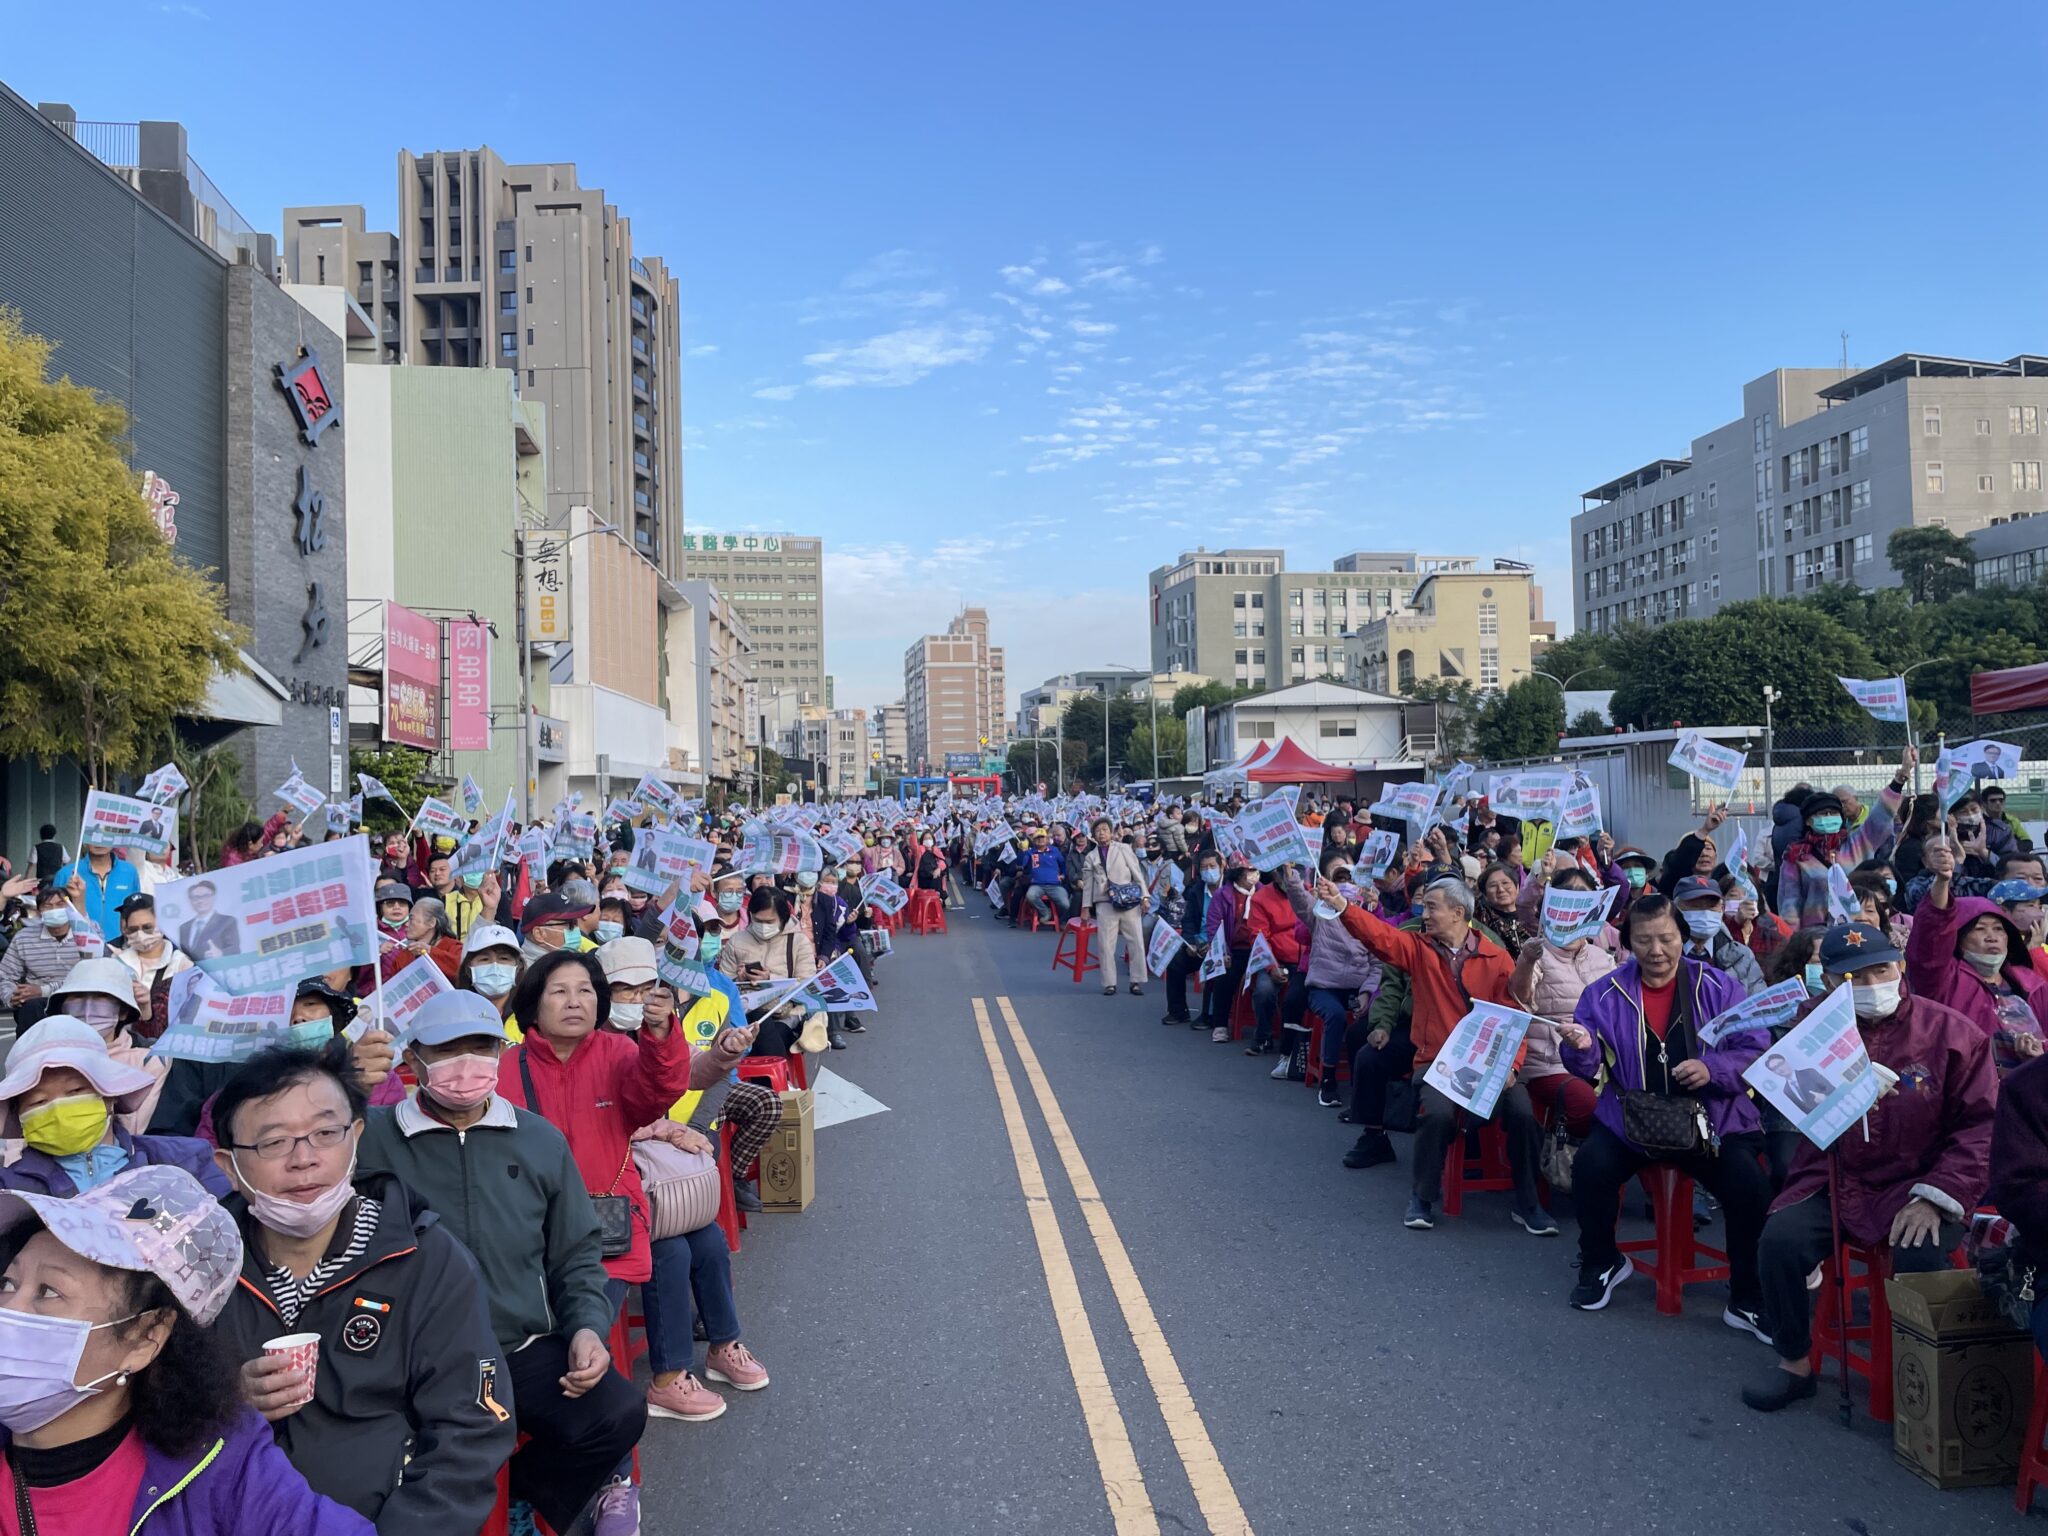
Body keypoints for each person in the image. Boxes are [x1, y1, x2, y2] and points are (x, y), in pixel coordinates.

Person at [358, 989, 646, 1535]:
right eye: (447, 1050)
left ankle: (524, 1496)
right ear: (413, 1057)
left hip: (519, 1348)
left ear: (500, 1051)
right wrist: (346, 1088)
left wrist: (587, 1326)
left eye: (481, 1046)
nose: (465, 1065)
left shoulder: (538, 1139)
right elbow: (300, 1149)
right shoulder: (370, 1139)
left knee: (617, 1413)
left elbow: (576, 1251)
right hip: (410, 1356)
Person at [209, 1047, 513, 1534]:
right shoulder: (199, 1267)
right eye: (273, 1142)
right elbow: (143, 1413)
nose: (304, 1159)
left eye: (326, 1133)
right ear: (229, 1165)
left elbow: (472, 1428)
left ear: (356, 1137)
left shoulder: (426, 1259)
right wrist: (225, 1399)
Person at [0, 1163, 378, 1533]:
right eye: (8, 1283)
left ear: (146, 1337)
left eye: (49, 1292)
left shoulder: (222, 1467)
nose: (9, 1309)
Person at [1741, 920, 1997, 1412]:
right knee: (1780, 1241)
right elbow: (1792, 1102)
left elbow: (1981, 1128)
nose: (1870, 983)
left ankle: (1920, 1382)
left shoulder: (1954, 1033)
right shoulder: (1812, 1026)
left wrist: (1935, 1194)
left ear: (1899, 967)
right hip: (1836, 1173)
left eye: (1880, 969)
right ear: (1833, 982)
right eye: (1854, 977)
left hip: (1920, 1176)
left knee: (1919, 1254)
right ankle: (1794, 1361)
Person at [1556, 894, 1771, 1331]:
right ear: (1628, 943)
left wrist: (1713, 1069)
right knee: (1591, 1168)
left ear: (1682, 937)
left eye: (1667, 939)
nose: (1657, 951)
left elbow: (1754, 1048)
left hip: (1711, 1119)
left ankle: (1747, 1295)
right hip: (1631, 1119)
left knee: (1749, 1185)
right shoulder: (1605, 993)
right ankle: (1601, 1262)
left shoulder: (1718, 987)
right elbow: (1585, 1063)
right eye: (1644, 940)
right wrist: (1578, 1046)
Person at [1318, 874, 1541, 1233]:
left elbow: (1513, 1019)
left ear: (1458, 912)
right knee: (1436, 1113)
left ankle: (1529, 1203)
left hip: (1489, 1065)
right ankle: (1422, 1197)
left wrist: (1512, 1067)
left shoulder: (1496, 956)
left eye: (1432, 907)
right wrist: (1343, 907)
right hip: (1438, 1062)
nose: (1425, 913)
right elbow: (1380, 937)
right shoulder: (1419, 948)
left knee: (1523, 1113)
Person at [0, 1014, 229, 1197]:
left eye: (76, 1091)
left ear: (110, 1095)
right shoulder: (9, 1188)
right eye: (39, 1101)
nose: (59, 1109)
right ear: (19, 1116)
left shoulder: (185, 1160)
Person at [1906, 836, 2048, 1075]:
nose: (1991, 936)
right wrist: (1942, 881)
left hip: (2026, 1095)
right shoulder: (1943, 981)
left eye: (1999, 929)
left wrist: (2038, 1056)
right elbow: (1931, 934)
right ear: (1958, 941)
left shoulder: (2032, 984)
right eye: (1979, 929)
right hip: (1969, 1097)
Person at [1507, 866, 1611, 1140]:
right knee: (1585, 1103)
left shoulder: (1603, 958)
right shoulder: (1537, 952)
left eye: (1583, 898)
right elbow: (1520, 998)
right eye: (1568, 896)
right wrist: (1527, 960)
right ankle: (1559, 1149)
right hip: (1550, 1063)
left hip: (1601, 1064)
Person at [1282, 854, 1382, 1100]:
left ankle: (1363, 1082)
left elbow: (1378, 963)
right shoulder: (1321, 914)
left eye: (1350, 879)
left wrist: (1367, 992)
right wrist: (1291, 876)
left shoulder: (1367, 919)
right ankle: (1328, 1079)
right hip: (1323, 987)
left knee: (1370, 1021)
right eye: (1340, 878)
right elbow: (1299, 900)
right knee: (1335, 1016)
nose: (1346, 883)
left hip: (1357, 989)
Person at [1776, 749, 1912, 928]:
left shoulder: (1857, 843)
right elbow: (1790, 904)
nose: (1829, 816)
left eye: (1833, 812)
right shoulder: (1797, 855)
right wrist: (1795, 942)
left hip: (1859, 927)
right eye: (1823, 813)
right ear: (1809, 820)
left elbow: (1880, 815)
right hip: (1817, 935)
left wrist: (1900, 777)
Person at [718, 887, 830, 1053]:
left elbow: (808, 988)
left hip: (786, 1013)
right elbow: (722, 984)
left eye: (769, 922)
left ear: (783, 919)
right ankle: (773, 1077)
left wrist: (770, 978)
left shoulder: (798, 942)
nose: (763, 927)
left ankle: (773, 1076)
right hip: (743, 1012)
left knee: (765, 1035)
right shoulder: (737, 941)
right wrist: (739, 979)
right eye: (758, 921)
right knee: (749, 1030)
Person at [0, 885, 88, 1030]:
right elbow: (6, 976)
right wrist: (12, 996)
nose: (55, 910)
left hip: (77, 999)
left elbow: (89, 976)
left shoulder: (85, 934)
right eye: (48, 906)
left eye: (60, 904)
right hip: (35, 1006)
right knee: (31, 1008)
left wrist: (43, 990)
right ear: (40, 911)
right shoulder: (24, 938)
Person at [109, 894, 191, 1041]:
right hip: (122, 1047)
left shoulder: (182, 964)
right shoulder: (116, 961)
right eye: (133, 929)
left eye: (147, 928)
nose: (140, 934)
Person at [1081, 817, 1147, 999]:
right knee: (1105, 945)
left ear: (1111, 832)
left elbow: (1137, 873)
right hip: (1104, 902)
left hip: (1128, 900)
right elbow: (1087, 884)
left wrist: (1145, 896)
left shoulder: (1124, 849)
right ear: (1093, 835)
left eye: (1104, 829)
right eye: (1098, 830)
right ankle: (1109, 983)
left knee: (1136, 942)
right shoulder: (1091, 857)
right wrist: (1086, 906)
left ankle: (1136, 980)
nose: (1101, 833)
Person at [1671, 874, 1766, 993]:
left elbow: (1757, 999)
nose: (1704, 913)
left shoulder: (1741, 956)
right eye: (1694, 906)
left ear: (1722, 909)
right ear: (1675, 909)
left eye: (1711, 906)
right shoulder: (1661, 953)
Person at [1162, 847, 1223, 1031]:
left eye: (1212, 866)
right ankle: (1178, 1011)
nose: (1208, 871)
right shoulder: (1196, 890)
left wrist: (1214, 945)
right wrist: (1190, 942)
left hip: (1220, 946)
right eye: (1204, 868)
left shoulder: (1229, 890)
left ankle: (1208, 1015)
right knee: (1175, 962)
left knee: (1213, 966)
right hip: (1198, 943)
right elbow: (1188, 920)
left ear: (1221, 867)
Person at [53, 842, 140, 939]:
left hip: (120, 943)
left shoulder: (129, 871)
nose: (100, 842)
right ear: (85, 841)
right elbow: (55, 911)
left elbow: (136, 909)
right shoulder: (66, 874)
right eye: (94, 836)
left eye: (106, 836)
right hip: (79, 942)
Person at [177, 878, 241, 960]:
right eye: (195, 897)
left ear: (213, 897)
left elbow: (235, 949)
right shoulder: (184, 927)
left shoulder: (227, 921)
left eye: (205, 896)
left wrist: (221, 953)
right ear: (190, 900)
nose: (200, 900)